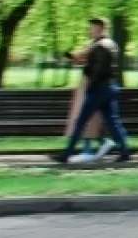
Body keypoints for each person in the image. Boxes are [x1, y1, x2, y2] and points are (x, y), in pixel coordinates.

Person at [50, 17, 131, 164]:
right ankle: (125, 151)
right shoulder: (104, 44)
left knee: (81, 120)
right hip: (109, 87)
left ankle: (66, 154)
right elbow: (84, 59)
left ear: (99, 28)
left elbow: (97, 69)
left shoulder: (100, 46)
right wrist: (72, 57)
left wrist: (89, 79)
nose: (90, 30)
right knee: (112, 122)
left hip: (99, 88)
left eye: (92, 27)